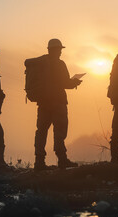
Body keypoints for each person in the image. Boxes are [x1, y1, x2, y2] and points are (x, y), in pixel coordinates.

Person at [33, 39, 82, 171]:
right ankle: (62, 159)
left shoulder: (41, 65)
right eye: (60, 49)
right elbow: (65, 83)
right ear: (56, 50)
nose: (61, 52)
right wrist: (75, 82)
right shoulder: (60, 64)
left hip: (43, 103)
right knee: (59, 131)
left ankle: (39, 161)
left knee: (41, 131)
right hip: (58, 103)